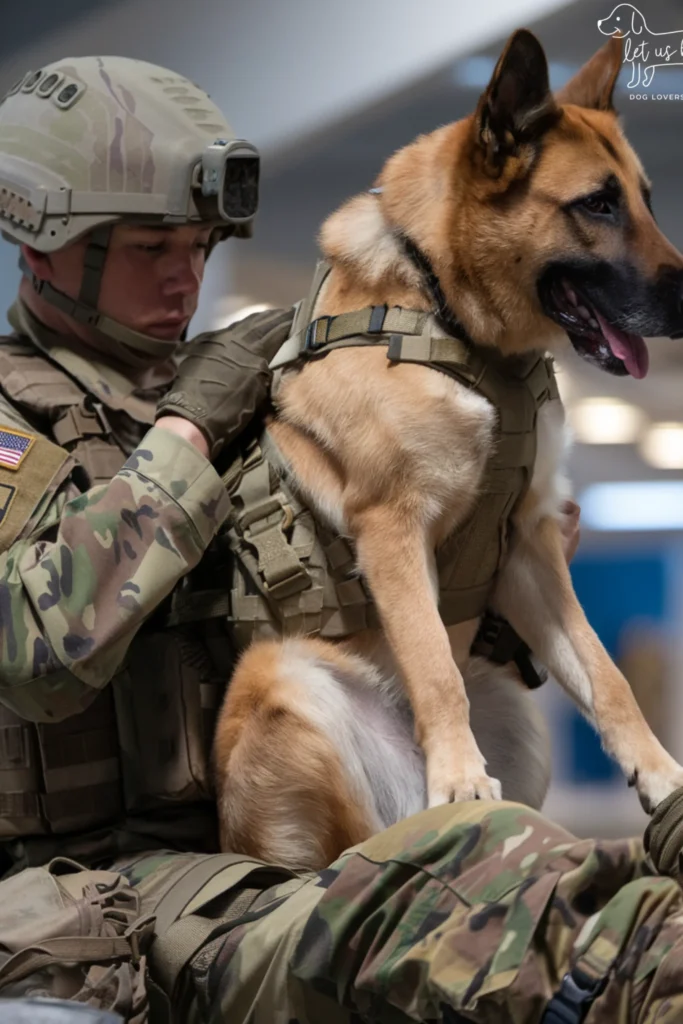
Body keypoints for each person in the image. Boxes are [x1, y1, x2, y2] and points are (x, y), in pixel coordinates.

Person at [2, 54, 681, 1024]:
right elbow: (34, 651)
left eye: (201, 244)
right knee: (479, 920)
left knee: (546, 886)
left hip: (270, 839)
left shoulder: (259, 380)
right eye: (155, 246)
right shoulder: (39, 419)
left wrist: (483, 571)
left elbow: (322, 606)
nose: (187, 274)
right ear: (40, 245)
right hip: (93, 884)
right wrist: (188, 435)